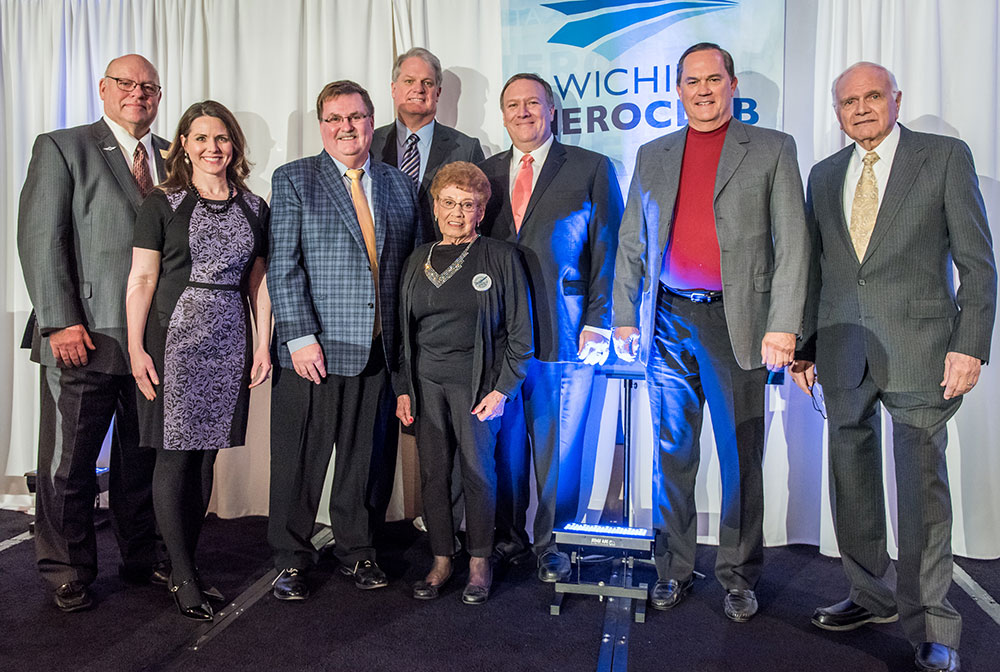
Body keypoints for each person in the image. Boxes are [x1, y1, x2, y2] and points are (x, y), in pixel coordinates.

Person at [790, 62, 996, 672]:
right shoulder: (825, 174)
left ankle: (933, 625)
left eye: (872, 96)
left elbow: (977, 263)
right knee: (850, 478)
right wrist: (805, 345)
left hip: (923, 351)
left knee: (922, 490)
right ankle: (868, 594)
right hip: (842, 351)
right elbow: (816, 267)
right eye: (848, 101)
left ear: (895, 100)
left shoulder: (944, 157)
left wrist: (971, 345)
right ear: (837, 111)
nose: (861, 108)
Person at [612, 42, 809, 622]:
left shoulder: (772, 148)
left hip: (737, 323)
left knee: (740, 458)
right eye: (692, 81)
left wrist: (784, 324)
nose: (703, 90)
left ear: (732, 85)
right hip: (667, 320)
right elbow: (631, 240)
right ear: (678, 90)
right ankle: (671, 568)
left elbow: (794, 244)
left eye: (713, 79)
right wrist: (624, 315)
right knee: (671, 453)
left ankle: (739, 576)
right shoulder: (653, 153)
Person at [17, 54, 168, 612]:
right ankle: (66, 568)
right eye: (126, 83)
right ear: (103, 88)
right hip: (84, 334)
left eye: (148, 87)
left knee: (141, 461)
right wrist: (59, 321)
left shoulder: (174, 155)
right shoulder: (63, 147)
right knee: (70, 463)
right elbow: (41, 237)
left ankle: (142, 556)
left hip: (153, 341)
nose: (138, 94)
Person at [267, 80, 421, 601]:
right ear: (321, 126)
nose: (346, 127)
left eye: (355, 117)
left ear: (371, 122)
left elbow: (409, 271)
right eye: (334, 118)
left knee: (365, 461)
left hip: (378, 349)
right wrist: (298, 335)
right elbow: (283, 265)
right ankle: (291, 559)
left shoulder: (400, 185)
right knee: (299, 461)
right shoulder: (295, 179)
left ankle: (358, 551)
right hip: (313, 349)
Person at [125, 100, 272, 621]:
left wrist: (262, 343)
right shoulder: (162, 202)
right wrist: (135, 347)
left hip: (229, 341)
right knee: (175, 456)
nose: (213, 147)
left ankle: (183, 563)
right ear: (183, 145)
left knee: (207, 458)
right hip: (173, 341)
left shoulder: (254, 205)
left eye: (222, 138)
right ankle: (183, 576)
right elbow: (142, 278)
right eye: (202, 138)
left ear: (234, 145)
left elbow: (258, 281)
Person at [479, 73, 623, 583]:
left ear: (552, 109)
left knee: (559, 450)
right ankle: (508, 539)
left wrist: (600, 321)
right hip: (499, 338)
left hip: (565, 333)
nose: (523, 112)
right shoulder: (484, 173)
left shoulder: (590, 167)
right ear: (502, 115)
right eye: (513, 104)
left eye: (533, 103)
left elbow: (609, 249)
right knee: (505, 451)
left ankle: (555, 543)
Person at [395, 161, 533, 604]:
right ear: (435, 206)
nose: (457, 213)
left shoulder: (500, 257)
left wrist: (503, 389)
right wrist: (403, 388)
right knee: (434, 475)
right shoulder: (416, 260)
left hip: (478, 387)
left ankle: (479, 561)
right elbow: (402, 334)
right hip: (426, 385)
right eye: (449, 203)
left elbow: (521, 336)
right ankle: (440, 559)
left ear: (481, 211)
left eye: (468, 205)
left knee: (478, 474)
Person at [371, 47, 486, 242]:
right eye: (409, 81)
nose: (419, 89)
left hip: (444, 257)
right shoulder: (370, 145)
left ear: (438, 92)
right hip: (384, 258)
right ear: (393, 89)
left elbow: (478, 219)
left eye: (427, 83)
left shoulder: (467, 149)